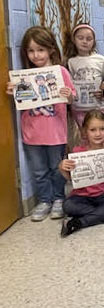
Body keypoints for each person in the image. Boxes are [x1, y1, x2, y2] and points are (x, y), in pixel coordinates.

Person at [6, 26, 75, 221]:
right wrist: (14, 91)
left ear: (51, 49)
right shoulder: (24, 76)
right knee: (39, 170)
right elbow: (22, 100)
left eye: (41, 49)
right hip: (32, 134)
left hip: (55, 133)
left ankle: (59, 198)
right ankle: (45, 200)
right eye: (31, 50)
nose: (36, 55)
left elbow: (72, 99)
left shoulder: (60, 72)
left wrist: (69, 96)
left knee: (56, 167)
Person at [59, 110, 104, 237]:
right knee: (67, 205)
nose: (98, 134)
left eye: (102, 129)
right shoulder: (77, 151)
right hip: (81, 196)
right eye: (93, 130)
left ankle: (79, 222)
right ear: (85, 131)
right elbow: (72, 179)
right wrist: (62, 168)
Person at [66, 23, 104, 128]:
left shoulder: (100, 60)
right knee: (83, 134)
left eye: (89, 39)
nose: (85, 41)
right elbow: (70, 83)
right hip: (79, 107)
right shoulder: (71, 61)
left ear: (94, 41)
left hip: (97, 106)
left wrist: (103, 92)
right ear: (74, 40)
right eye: (80, 38)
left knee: (98, 133)